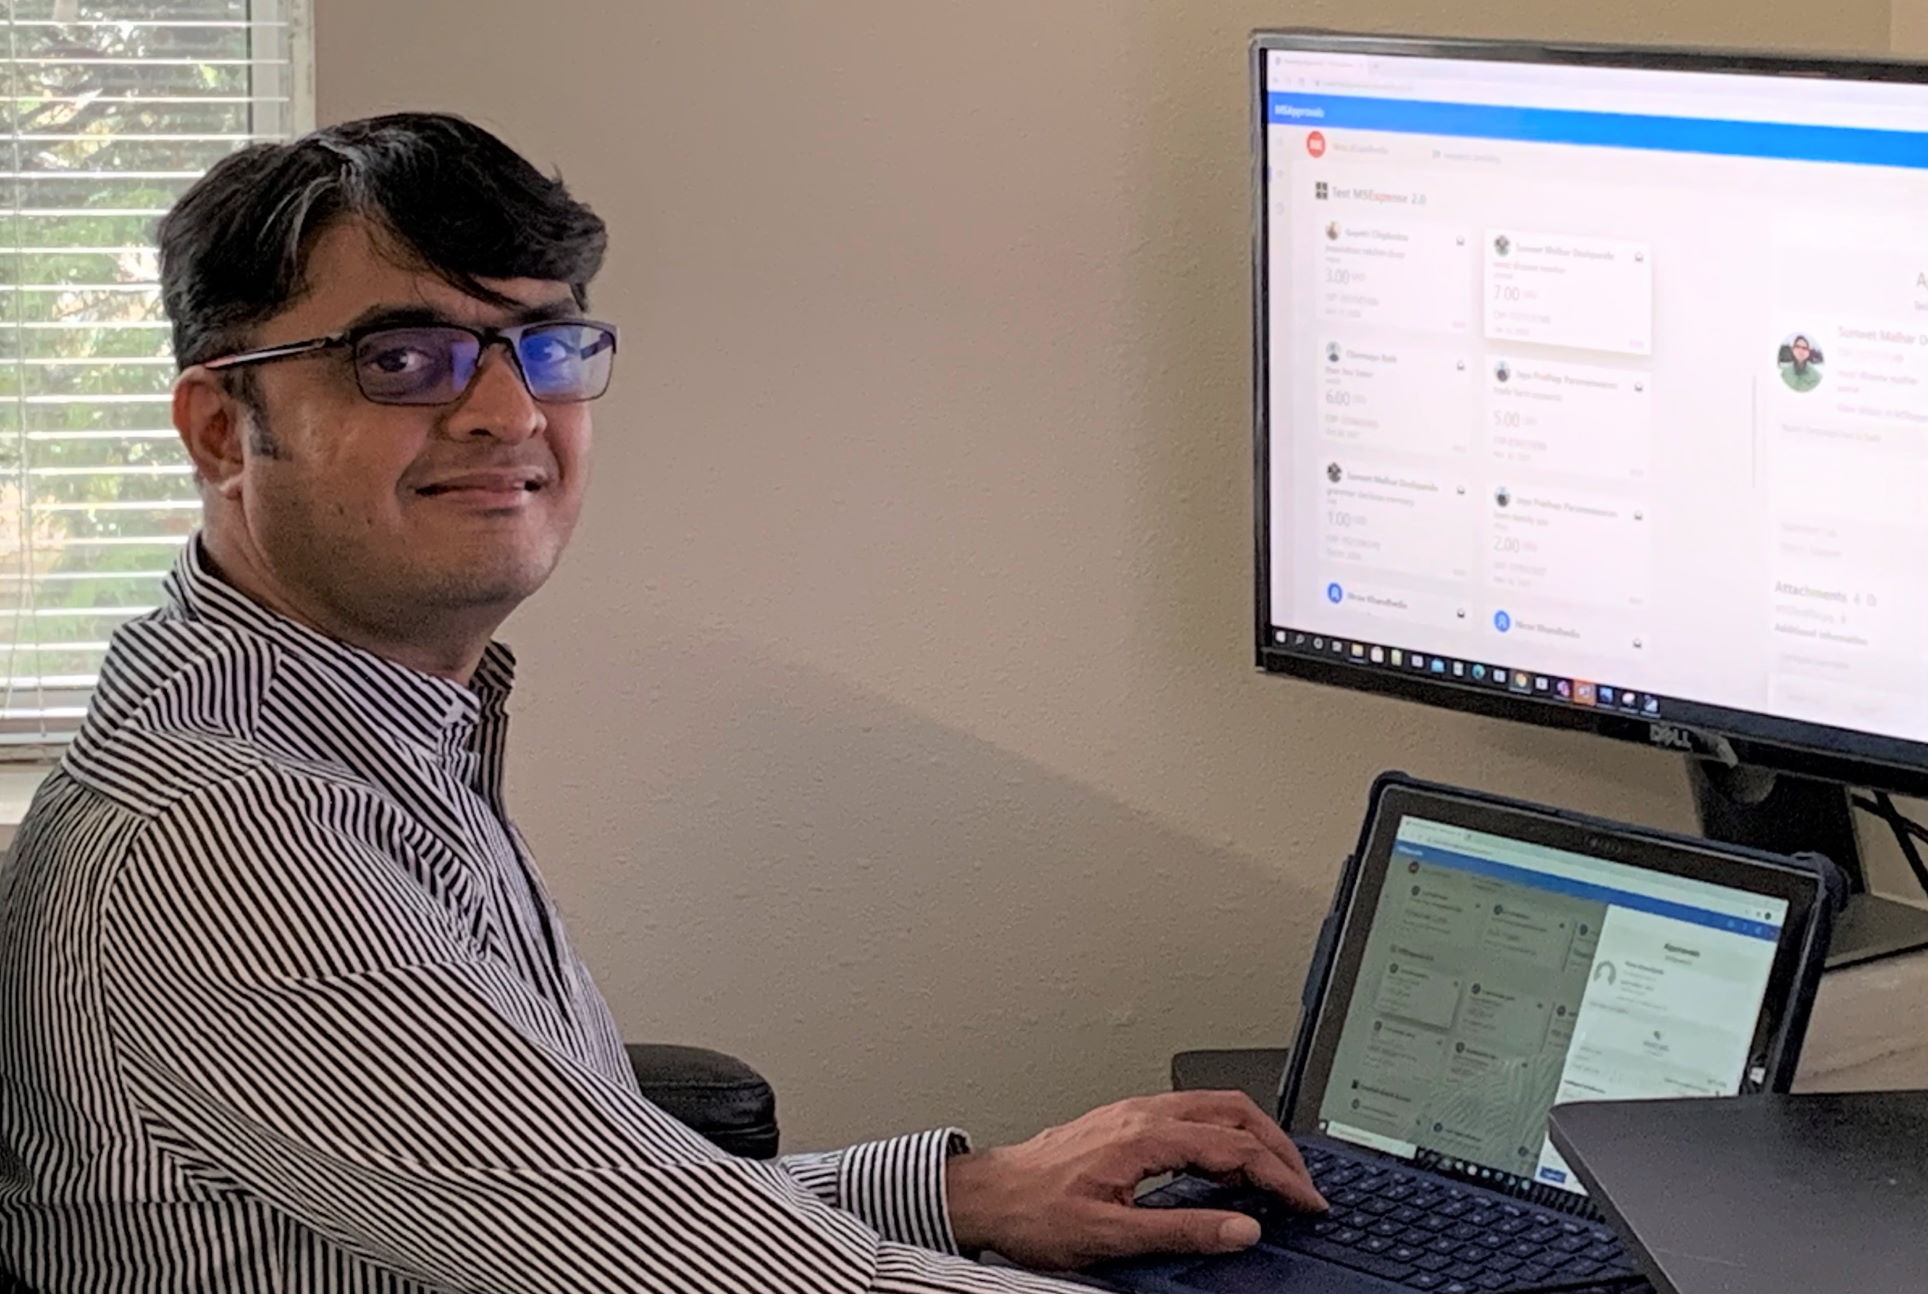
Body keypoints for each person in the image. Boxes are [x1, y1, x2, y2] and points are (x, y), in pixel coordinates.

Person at [0, 113, 1321, 1292]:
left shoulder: (352, 725)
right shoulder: (233, 836)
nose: (509, 412)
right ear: (221, 430)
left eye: (545, 346)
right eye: (404, 360)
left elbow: (598, 1206)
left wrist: (965, 1192)